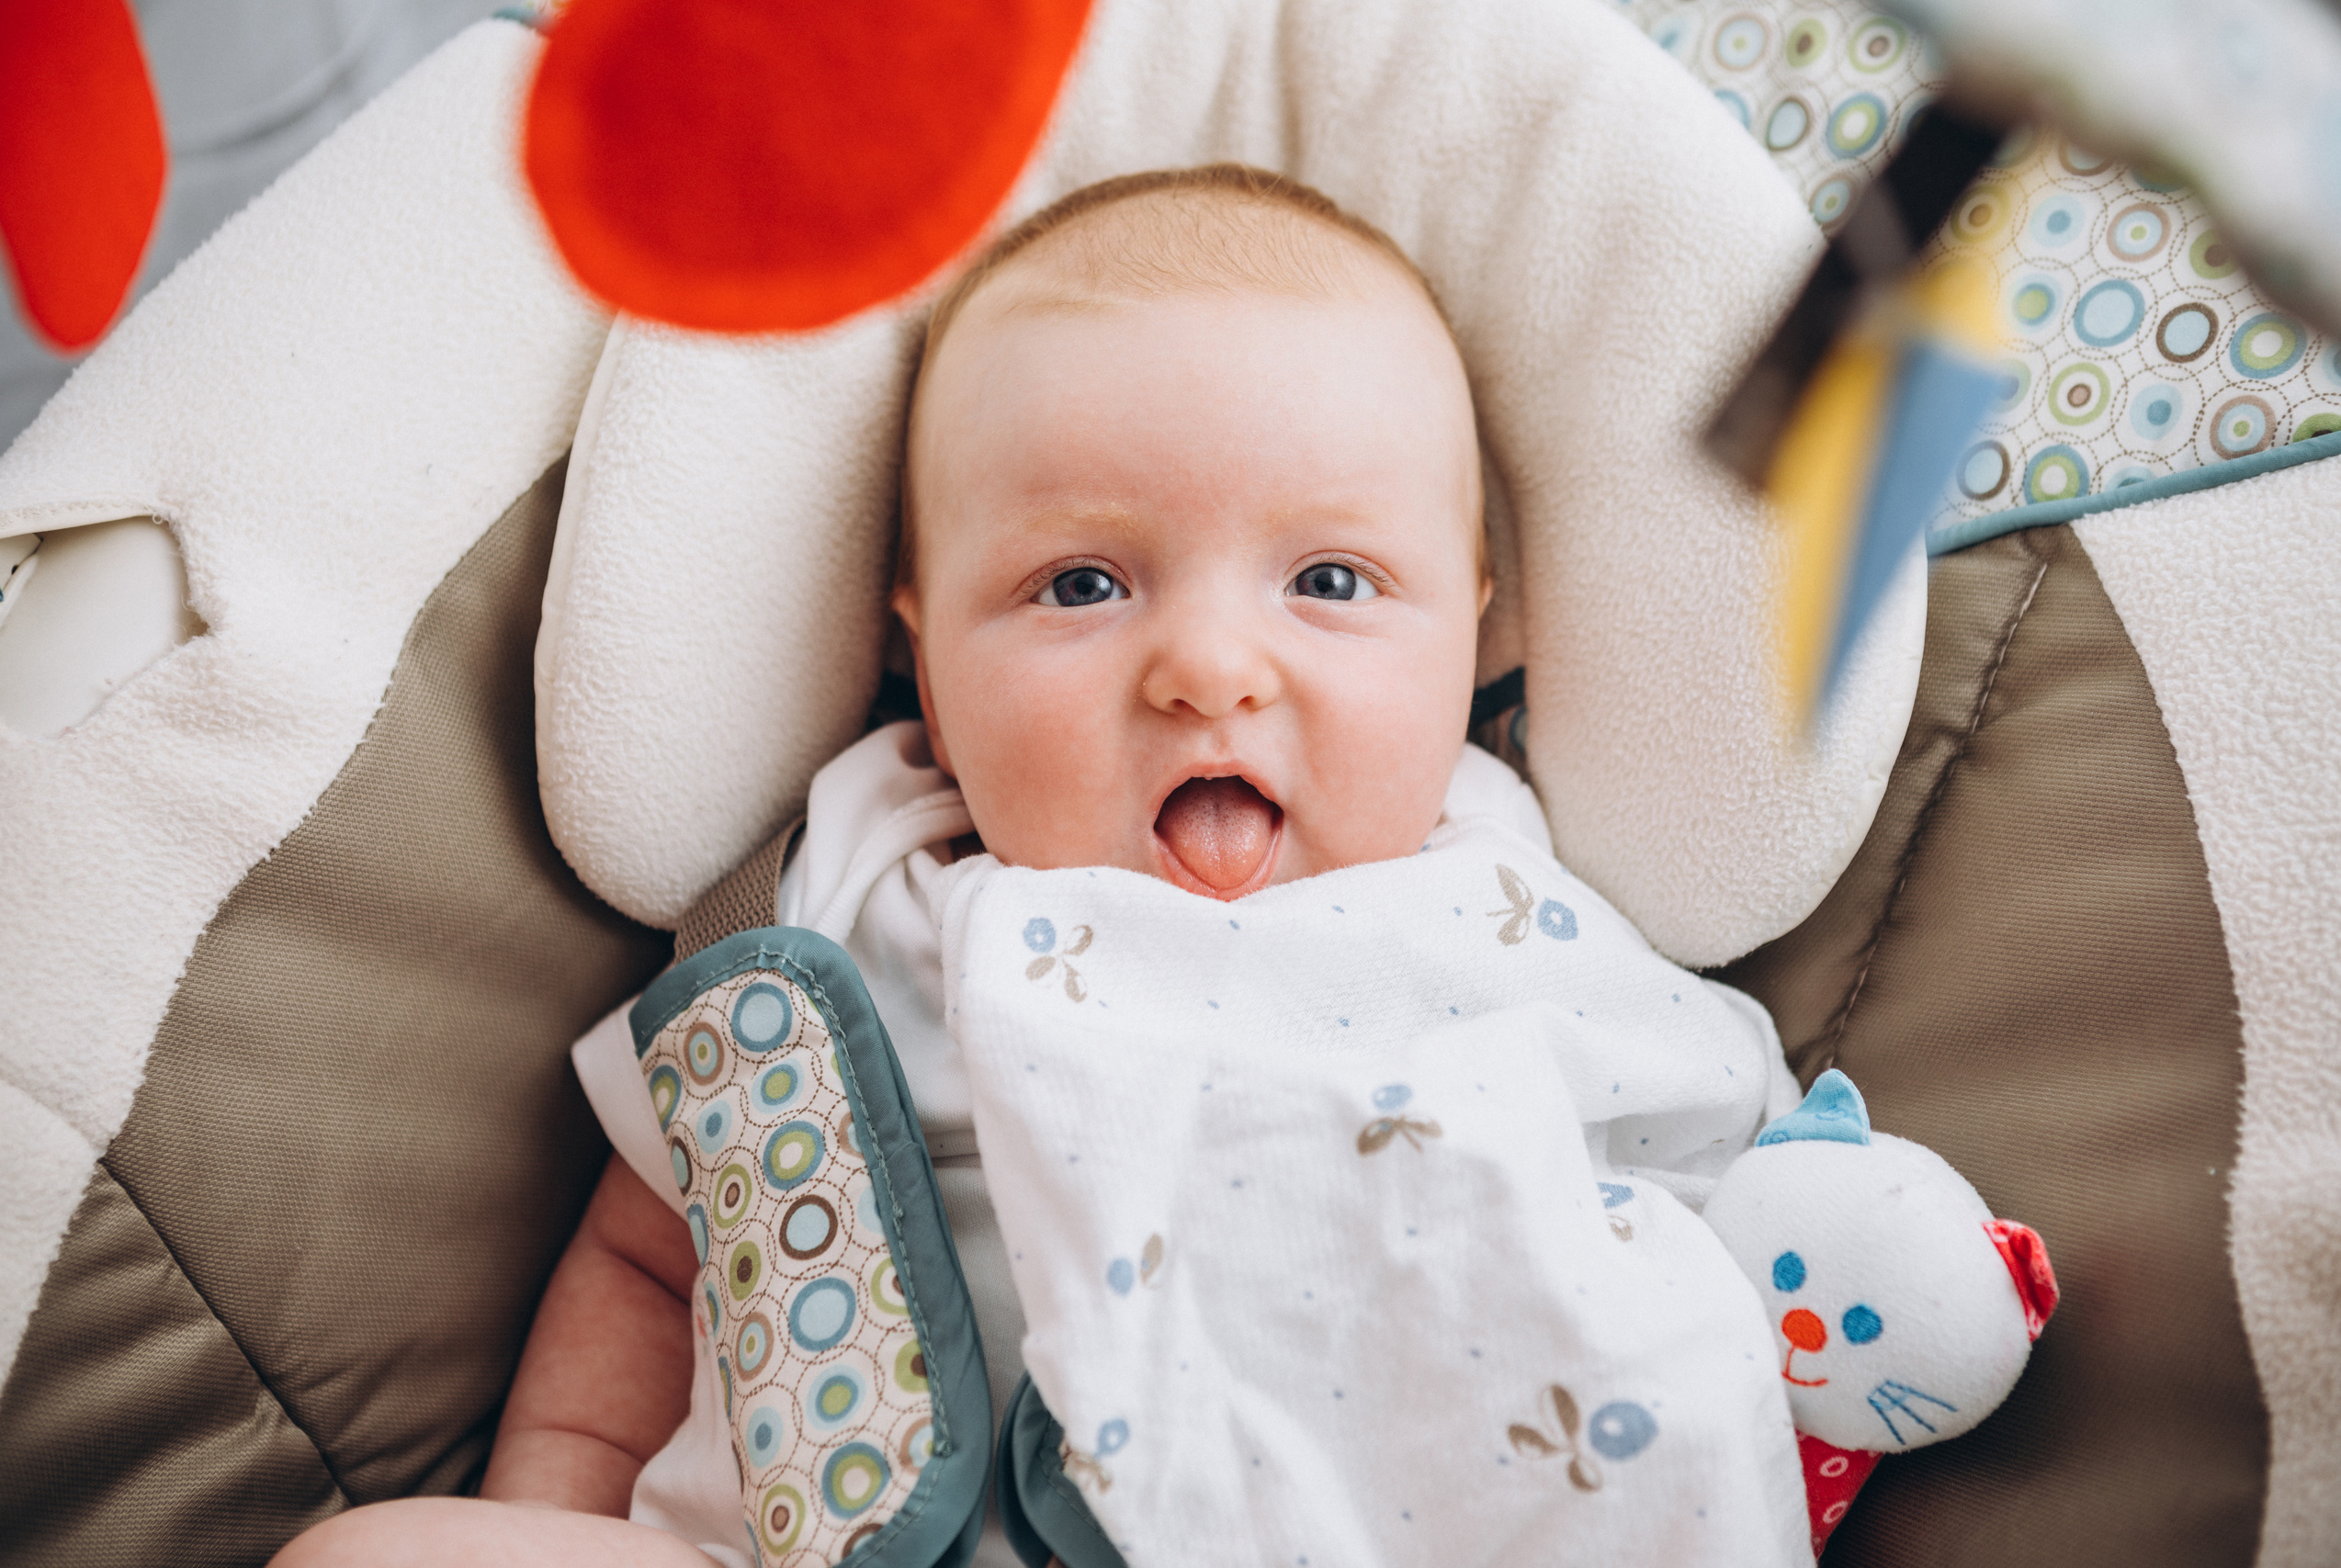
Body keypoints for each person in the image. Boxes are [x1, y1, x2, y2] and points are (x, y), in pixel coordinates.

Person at [276, 165, 1791, 1568]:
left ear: (1475, 637)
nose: (1207, 667)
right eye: (1082, 584)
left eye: (1330, 581)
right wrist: (559, 1495)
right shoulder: (857, 899)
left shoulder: (1501, 917)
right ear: (924, 665)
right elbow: (650, 1249)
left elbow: (1730, 1202)